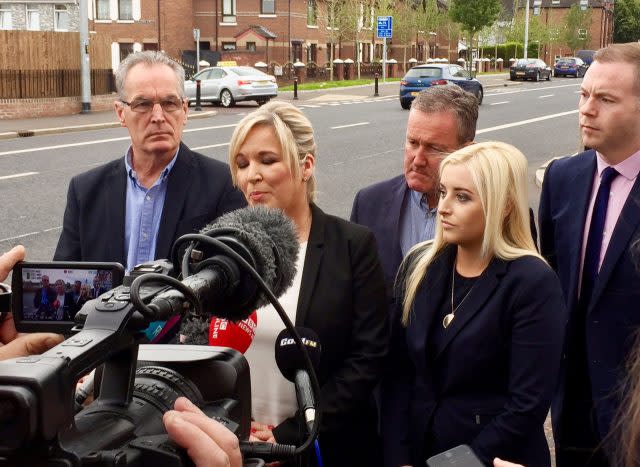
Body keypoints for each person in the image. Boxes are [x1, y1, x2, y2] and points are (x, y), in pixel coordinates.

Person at [223, 100, 388, 466]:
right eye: (242, 163)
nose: (252, 175)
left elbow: (367, 360)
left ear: (306, 166)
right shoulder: (222, 250)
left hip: (324, 448)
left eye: (267, 160)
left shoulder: (352, 246)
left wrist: (290, 435)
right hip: (235, 445)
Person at [382, 142, 565, 467]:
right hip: (418, 453)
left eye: (462, 196)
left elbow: (527, 404)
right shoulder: (420, 266)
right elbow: (399, 373)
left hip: (496, 458)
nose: (443, 207)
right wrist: (399, 455)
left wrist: (462, 461)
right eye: (443, 191)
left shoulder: (532, 282)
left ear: (504, 206)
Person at [538, 42, 640, 467]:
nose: (587, 109)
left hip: (632, 410)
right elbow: (555, 279)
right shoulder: (563, 178)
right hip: (572, 406)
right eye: (583, 95)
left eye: (605, 99)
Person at [53, 50, 246, 271]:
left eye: (169, 102)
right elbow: (64, 276)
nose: (157, 116)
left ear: (184, 110)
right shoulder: (85, 191)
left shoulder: (223, 184)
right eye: (142, 104)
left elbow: (234, 282)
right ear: (121, 113)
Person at [0, 246, 64, 361]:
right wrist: (37, 305)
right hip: (41, 308)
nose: (45, 282)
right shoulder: (39, 290)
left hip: (49, 308)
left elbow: (53, 300)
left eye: (47, 280)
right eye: (43, 280)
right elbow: (35, 301)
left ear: (48, 281)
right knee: (34, 319)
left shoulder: (53, 290)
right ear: (42, 281)